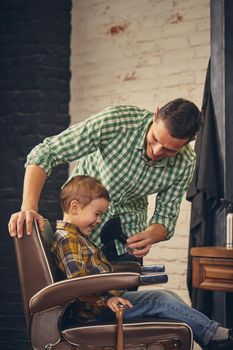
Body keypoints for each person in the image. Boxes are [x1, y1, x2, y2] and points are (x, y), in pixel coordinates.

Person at [51, 175, 233, 350]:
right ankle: (214, 336)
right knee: (160, 300)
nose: (98, 221)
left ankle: (209, 336)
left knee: (167, 296)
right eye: (97, 214)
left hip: (102, 305)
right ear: (74, 207)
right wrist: (107, 300)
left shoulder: (76, 238)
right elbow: (77, 285)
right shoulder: (68, 240)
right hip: (96, 312)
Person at [9, 98, 201, 261]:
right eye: (155, 139)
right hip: (77, 234)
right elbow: (46, 153)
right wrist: (28, 208)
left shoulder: (185, 163)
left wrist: (150, 236)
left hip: (125, 241)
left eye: (170, 150)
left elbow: (165, 218)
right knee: (76, 300)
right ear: (155, 115)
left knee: (121, 301)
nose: (158, 151)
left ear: (189, 141)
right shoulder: (117, 122)